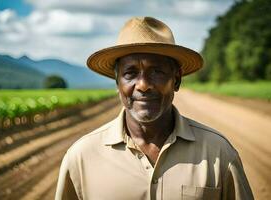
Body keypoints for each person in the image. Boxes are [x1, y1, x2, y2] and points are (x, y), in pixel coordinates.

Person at [55, 16, 253, 200]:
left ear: (176, 80)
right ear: (118, 84)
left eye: (157, 71)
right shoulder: (81, 157)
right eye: (130, 73)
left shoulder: (218, 153)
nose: (143, 85)